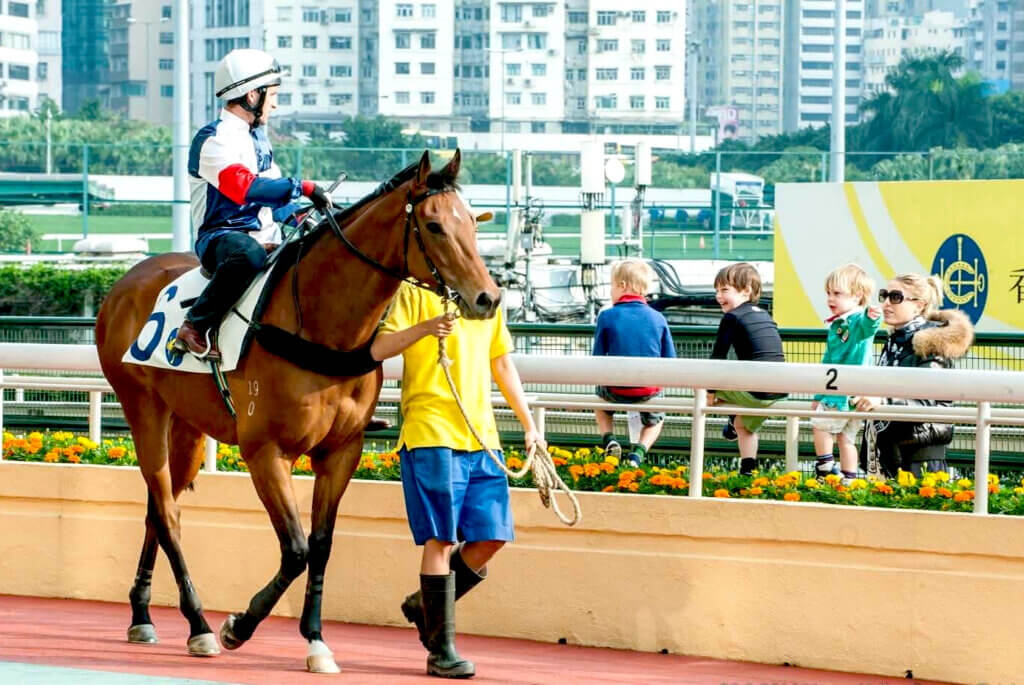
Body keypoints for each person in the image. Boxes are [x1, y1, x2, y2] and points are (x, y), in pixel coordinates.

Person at [370, 281, 545, 679]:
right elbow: (379, 349)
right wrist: (425, 328)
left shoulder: (488, 297)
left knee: (493, 535)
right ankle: (441, 649)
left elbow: (501, 363)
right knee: (442, 539)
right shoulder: (413, 293)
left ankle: (423, 607)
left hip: (482, 436)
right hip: (430, 433)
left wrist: (529, 424)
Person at [172, 48, 333, 361]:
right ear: (251, 95)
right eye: (271, 95)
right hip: (222, 239)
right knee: (248, 253)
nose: (274, 103)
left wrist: (306, 217)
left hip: (264, 238)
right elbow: (245, 188)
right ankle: (195, 325)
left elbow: (274, 202)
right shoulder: (212, 139)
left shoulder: (258, 139)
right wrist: (305, 187)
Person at [854, 274, 973, 478]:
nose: (886, 303)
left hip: (920, 459)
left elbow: (925, 403)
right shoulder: (896, 341)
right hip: (889, 452)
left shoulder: (932, 343)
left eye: (896, 297)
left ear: (919, 306)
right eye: (884, 296)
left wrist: (883, 400)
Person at [592, 259, 676, 467]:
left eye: (611, 285)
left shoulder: (607, 316)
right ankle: (639, 451)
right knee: (656, 420)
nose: (611, 291)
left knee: (600, 407)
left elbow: (597, 358)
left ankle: (609, 439)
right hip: (648, 390)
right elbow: (670, 360)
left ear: (622, 286)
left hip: (615, 388)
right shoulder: (658, 318)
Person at [707, 263, 786, 476]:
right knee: (745, 427)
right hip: (778, 390)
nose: (718, 296)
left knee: (710, 393)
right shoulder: (764, 314)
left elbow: (717, 357)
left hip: (755, 391)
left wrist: (709, 392)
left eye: (724, 290)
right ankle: (747, 469)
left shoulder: (732, 317)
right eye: (717, 290)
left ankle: (732, 419)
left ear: (746, 291)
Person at [811, 264, 882, 484]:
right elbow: (828, 360)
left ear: (857, 296)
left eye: (837, 293)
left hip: (840, 391)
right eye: (828, 293)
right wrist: (816, 395)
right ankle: (849, 478)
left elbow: (868, 327)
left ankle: (825, 465)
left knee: (820, 425)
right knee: (846, 437)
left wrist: (872, 317)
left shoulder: (856, 320)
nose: (830, 299)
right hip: (853, 391)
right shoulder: (840, 323)